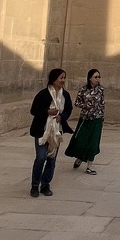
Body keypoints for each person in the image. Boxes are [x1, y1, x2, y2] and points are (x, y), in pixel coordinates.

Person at [29, 68, 73, 197]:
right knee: (41, 157)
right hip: (42, 130)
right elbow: (34, 110)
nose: (63, 80)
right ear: (54, 79)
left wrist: (62, 117)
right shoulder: (43, 94)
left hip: (56, 130)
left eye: (64, 78)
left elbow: (68, 110)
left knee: (51, 159)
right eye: (61, 78)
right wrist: (47, 112)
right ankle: (35, 185)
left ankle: (45, 184)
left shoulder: (65, 95)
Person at [66, 68, 105, 174]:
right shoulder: (83, 90)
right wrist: (85, 105)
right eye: (95, 77)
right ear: (90, 78)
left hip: (96, 119)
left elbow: (102, 104)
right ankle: (80, 157)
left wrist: (102, 117)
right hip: (85, 119)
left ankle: (90, 165)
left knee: (93, 143)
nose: (97, 79)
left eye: (99, 77)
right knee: (81, 141)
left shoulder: (100, 90)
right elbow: (77, 103)